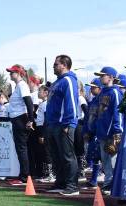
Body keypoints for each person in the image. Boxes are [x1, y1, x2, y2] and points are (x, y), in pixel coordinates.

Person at [44, 55, 81, 196]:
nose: (53, 66)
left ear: (64, 65)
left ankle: (72, 185)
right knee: (56, 156)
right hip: (53, 124)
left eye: (55, 64)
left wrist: (68, 122)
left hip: (63, 124)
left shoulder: (68, 80)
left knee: (67, 155)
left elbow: (71, 102)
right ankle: (60, 182)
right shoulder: (56, 82)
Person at [91, 66, 124, 194]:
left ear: (111, 77)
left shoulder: (115, 92)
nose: (100, 77)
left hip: (111, 132)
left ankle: (113, 184)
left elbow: (118, 113)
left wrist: (117, 131)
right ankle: (108, 183)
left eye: (102, 75)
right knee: (105, 160)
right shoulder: (103, 92)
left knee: (112, 159)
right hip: (102, 131)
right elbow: (98, 113)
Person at [4, 64, 37, 186]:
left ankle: (24, 176)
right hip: (18, 119)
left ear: (18, 73)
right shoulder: (19, 86)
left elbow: (29, 104)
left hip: (21, 120)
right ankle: (24, 174)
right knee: (21, 148)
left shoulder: (22, 85)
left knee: (21, 148)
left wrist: (31, 120)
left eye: (12, 72)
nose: (10, 74)